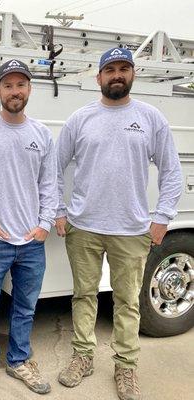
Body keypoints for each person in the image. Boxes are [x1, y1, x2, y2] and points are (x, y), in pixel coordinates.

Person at [55, 47, 182, 400]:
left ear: (133, 74)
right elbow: (54, 168)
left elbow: (171, 171)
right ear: (98, 77)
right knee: (84, 296)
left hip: (132, 230)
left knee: (127, 302)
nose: (117, 75)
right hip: (84, 228)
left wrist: (162, 217)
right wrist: (59, 212)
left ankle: (126, 367)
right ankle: (83, 357)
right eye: (110, 69)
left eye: (123, 68)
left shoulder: (150, 118)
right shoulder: (80, 119)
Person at [0, 59, 57, 399]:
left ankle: (19, 360)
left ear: (29, 90)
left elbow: (50, 185)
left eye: (21, 85)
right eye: (8, 85)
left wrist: (44, 224)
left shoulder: (41, 134)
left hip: (32, 242)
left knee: (25, 306)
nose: (15, 91)